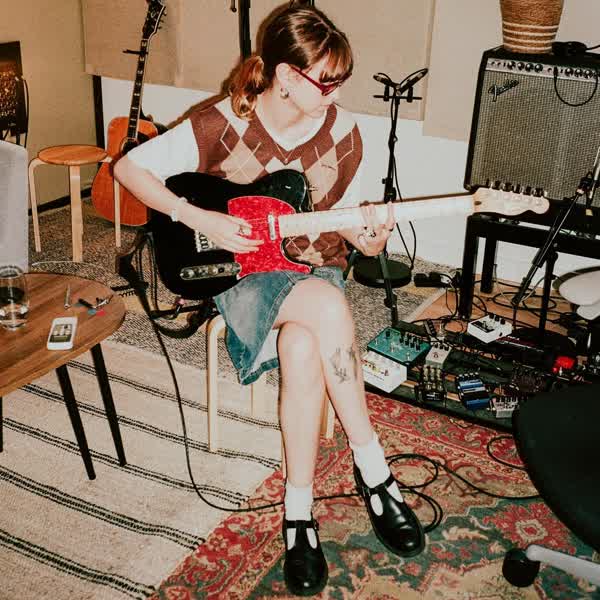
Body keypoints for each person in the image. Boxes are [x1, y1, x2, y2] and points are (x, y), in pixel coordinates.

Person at [114, 4, 424, 596]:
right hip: (241, 276)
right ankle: (375, 471)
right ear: (285, 76)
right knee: (325, 310)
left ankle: (298, 514)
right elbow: (130, 169)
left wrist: (371, 237)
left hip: (313, 268)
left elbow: (347, 224)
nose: (337, 94)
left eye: (341, 79)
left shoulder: (343, 133)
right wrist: (198, 216)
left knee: (305, 345)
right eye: (326, 81)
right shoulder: (221, 122)